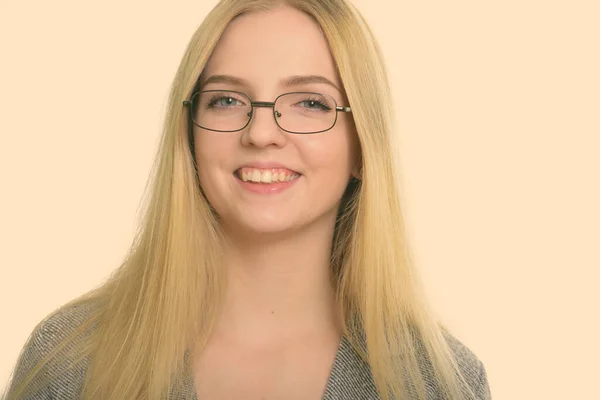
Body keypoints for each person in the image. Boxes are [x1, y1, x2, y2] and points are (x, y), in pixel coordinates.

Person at [4, 0, 491, 399]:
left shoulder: (440, 383)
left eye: (309, 102)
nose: (261, 133)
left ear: (363, 145)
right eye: (227, 99)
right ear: (190, 134)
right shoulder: (70, 361)